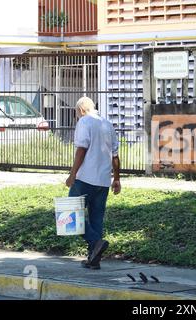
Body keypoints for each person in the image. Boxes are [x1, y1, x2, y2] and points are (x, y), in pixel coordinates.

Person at [66, 96, 121, 270]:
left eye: (76, 113)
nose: (77, 116)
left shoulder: (84, 122)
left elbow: (81, 149)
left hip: (85, 178)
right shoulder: (107, 124)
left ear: (81, 110)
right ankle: (93, 258)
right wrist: (117, 179)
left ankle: (95, 242)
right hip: (103, 181)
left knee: (69, 216)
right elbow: (115, 155)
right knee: (96, 219)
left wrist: (72, 174)